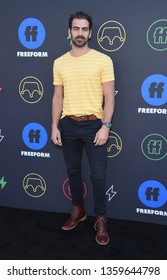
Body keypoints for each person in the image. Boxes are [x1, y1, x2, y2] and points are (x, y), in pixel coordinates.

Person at [51, 11, 115, 245]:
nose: (80, 33)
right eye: (76, 29)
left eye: (84, 29)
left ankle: (100, 219)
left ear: (90, 32)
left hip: (94, 126)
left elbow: (110, 97)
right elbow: (58, 98)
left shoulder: (103, 60)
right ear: (69, 32)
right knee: (73, 172)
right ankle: (79, 210)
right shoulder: (59, 62)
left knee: (98, 176)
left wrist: (106, 126)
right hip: (68, 125)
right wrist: (54, 126)